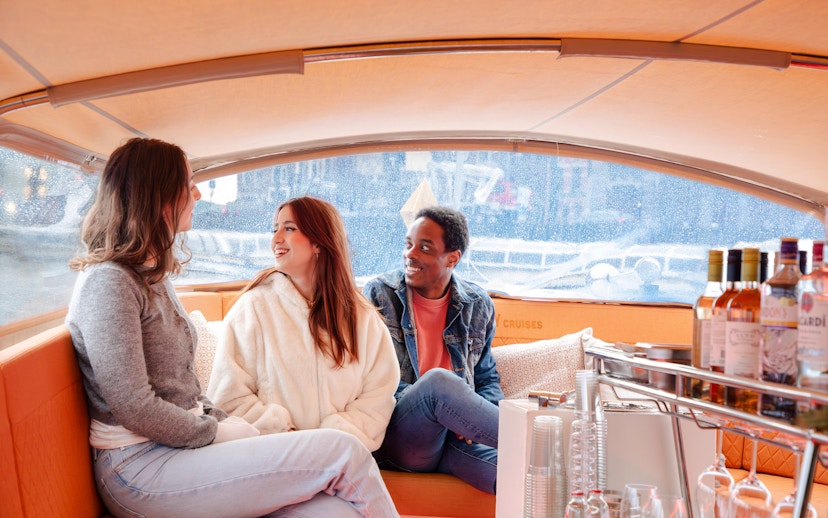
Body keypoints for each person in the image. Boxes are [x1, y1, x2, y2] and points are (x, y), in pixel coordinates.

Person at [65, 138, 398, 518]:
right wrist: (214, 431)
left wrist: (227, 423)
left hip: (179, 449)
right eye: (187, 183)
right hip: (137, 466)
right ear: (156, 193)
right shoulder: (109, 282)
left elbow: (185, 388)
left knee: (337, 511)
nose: (197, 193)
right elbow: (134, 407)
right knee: (343, 451)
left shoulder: (153, 279)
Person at [207, 196, 399, 452]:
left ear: (319, 241)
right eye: (274, 229)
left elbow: (378, 398)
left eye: (288, 228)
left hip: (339, 456)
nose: (275, 239)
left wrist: (331, 439)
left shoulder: (362, 317)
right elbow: (228, 398)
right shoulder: (253, 308)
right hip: (273, 454)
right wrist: (284, 433)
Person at [362, 205, 503, 494]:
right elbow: (372, 380)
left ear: (453, 257)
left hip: (456, 441)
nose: (410, 254)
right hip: (401, 436)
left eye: (424, 248)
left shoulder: (478, 304)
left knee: (524, 474)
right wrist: (452, 413)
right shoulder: (380, 294)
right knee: (439, 384)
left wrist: (469, 420)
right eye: (408, 244)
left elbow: (487, 379)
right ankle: (545, 435)